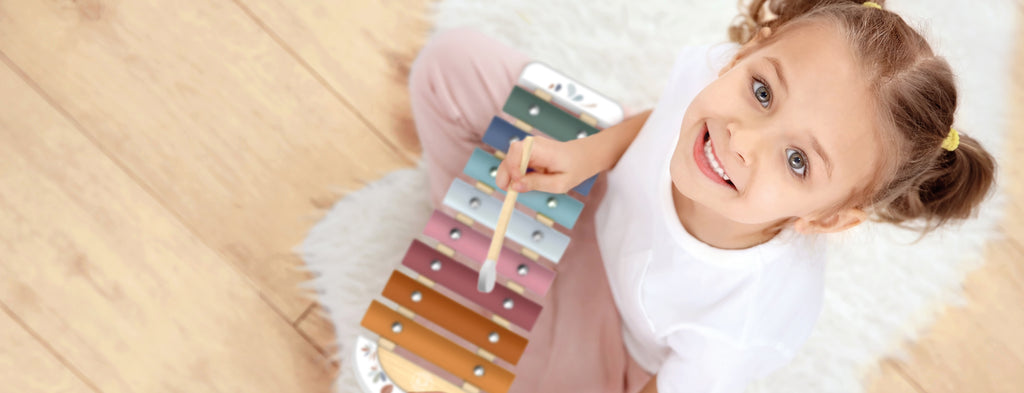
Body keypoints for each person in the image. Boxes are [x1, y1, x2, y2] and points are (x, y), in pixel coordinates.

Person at [406, 0, 996, 392]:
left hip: (612, 341)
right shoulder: (714, 78)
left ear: (827, 218)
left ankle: (485, 254)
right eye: (763, 92)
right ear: (745, 55)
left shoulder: (749, 318)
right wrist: (589, 155)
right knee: (450, 64)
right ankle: (476, 231)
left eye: (797, 161)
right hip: (599, 197)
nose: (741, 140)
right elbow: (659, 119)